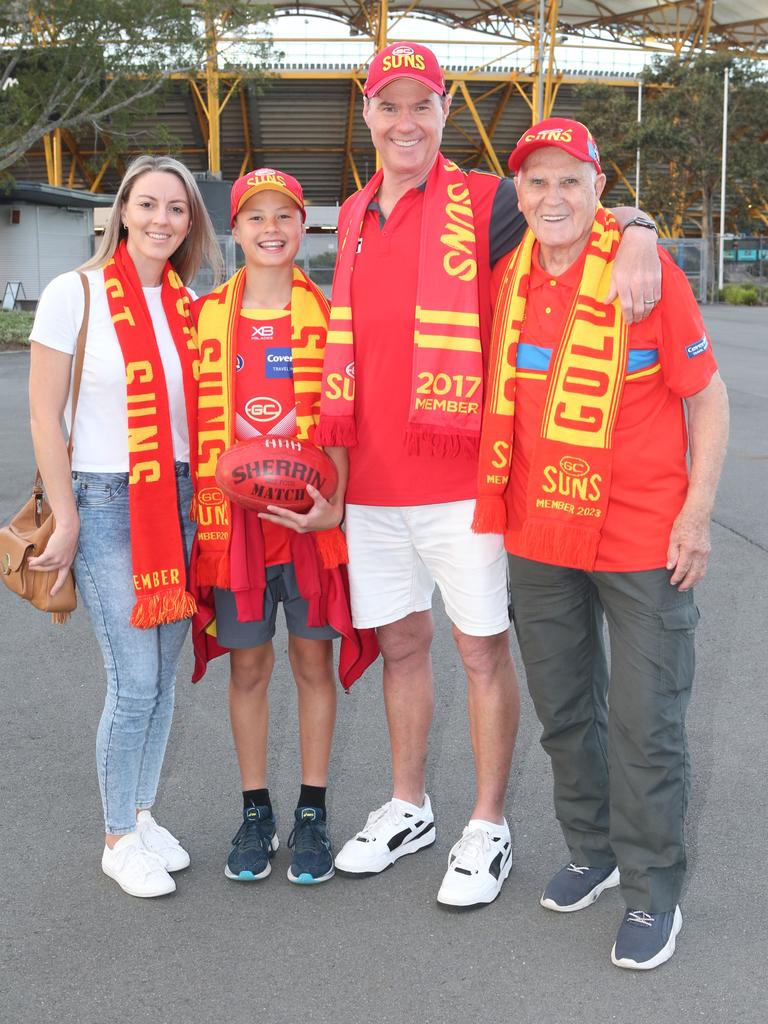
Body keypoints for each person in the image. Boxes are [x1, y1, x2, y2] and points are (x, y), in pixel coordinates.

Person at [316, 42, 663, 908]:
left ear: (443, 112)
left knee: (479, 652)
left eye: (422, 105)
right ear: (367, 114)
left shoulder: (481, 199)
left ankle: (487, 823)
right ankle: (409, 805)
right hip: (373, 490)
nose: (406, 121)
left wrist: (641, 232)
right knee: (402, 647)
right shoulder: (354, 213)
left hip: (464, 483)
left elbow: (573, 201)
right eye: (389, 106)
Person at [474, 117, 729, 966]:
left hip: (643, 539)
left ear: (598, 191)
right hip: (541, 535)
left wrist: (696, 514)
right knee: (565, 712)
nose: (553, 197)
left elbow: (709, 399)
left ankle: (655, 890)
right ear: (519, 194)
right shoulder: (508, 278)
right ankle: (594, 852)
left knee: (645, 721)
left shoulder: (642, 275)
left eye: (570, 181)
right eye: (537, 182)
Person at [27, 154, 222, 897]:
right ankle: (116, 836)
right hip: (107, 501)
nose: (161, 220)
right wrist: (67, 516)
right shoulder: (73, 293)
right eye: (148, 204)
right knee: (134, 680)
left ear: (190, 222)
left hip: (179, 502)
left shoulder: (189, 305)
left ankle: (141, 812)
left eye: (176, 208)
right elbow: (45, 414)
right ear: (121, 212)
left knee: (164, 676)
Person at [190, 168, 374, 886]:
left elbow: (344, 423)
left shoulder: (328, 318)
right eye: (255, 216)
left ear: (304, 228)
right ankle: (256, 807)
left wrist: (335, 506)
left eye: (284, 216)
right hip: (231, 528)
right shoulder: (205, 315)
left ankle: (312, 810)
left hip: (305, 523)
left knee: (310, 663)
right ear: (234, 230)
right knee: (249, 665)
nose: (270, 228)